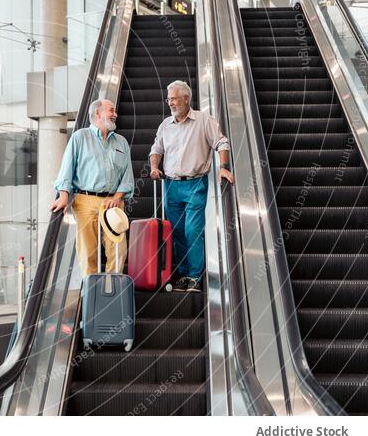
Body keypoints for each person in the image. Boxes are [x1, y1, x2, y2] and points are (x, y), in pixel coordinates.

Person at [149, 80, 233, 293]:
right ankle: (184, 273)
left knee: (192, 230)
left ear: (186, 98)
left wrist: (223, 167)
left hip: (195, 183)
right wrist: (154, 167)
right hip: (170, 185)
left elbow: (221, 143)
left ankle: (195, 276)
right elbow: (156, 148)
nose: (170, 103)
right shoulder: (165, 125)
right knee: (176, 231)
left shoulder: (203, 120)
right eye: (168, 99)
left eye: (174, 98)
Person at [51, 99, 135, 275]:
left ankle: (113, 292)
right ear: (98, 113)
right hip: (85, 201)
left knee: (118, 250)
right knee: (87, 253)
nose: (115, 114)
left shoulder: (121, 142)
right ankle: (91, 294)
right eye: (111, 110)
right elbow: (66, 169)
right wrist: (64, 196)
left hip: (114, 202)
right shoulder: (79, 137)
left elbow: (127, 176)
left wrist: (118, 197)